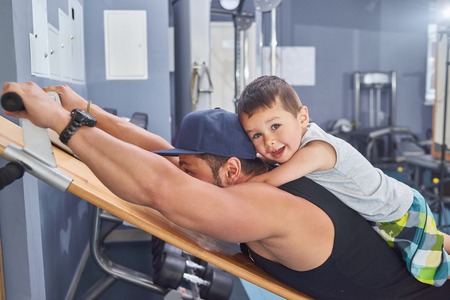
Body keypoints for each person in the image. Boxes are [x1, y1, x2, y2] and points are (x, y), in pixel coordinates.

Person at [2, 82, 450, 299]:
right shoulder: (245, 173)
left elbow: (162, 187)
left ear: (232, 169)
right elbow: (159, 152)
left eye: (188, 168)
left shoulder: (273, 205)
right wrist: (82, 107)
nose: (181, 172)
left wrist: (63, 123)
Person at [237, 75, 450, 287]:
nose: (269, 141)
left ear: (302, 118)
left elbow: (269, 181)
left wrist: (226, 187)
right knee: (434, 238)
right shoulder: (300, 143)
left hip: (397, 213)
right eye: (256, 136)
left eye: (275, 126)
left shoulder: (316, 151)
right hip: (388, 209)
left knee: (433, 269)